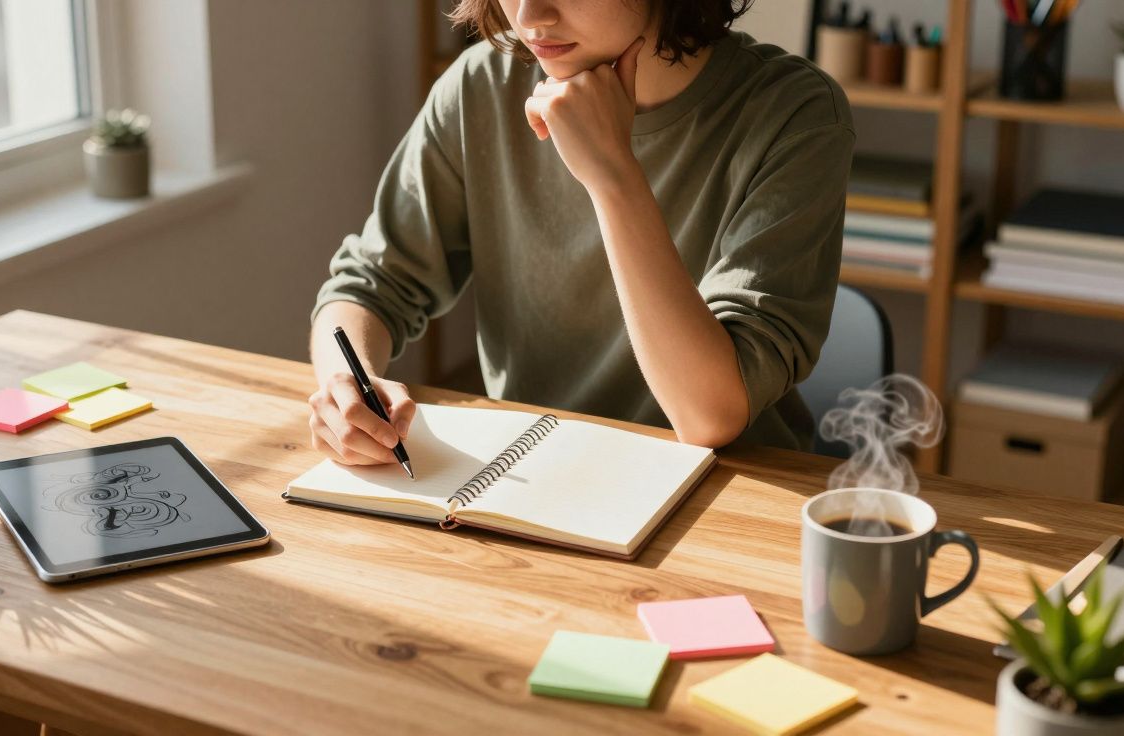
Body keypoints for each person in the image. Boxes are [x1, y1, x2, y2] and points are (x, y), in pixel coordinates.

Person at [307, 0, 854, 467]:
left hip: (728, 491)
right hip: (537, 474)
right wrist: (344, 385)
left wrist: (612, 176)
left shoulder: (794, 113)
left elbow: (707, 416)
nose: (528, 15)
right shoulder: (481, 86)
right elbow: (368, 285)